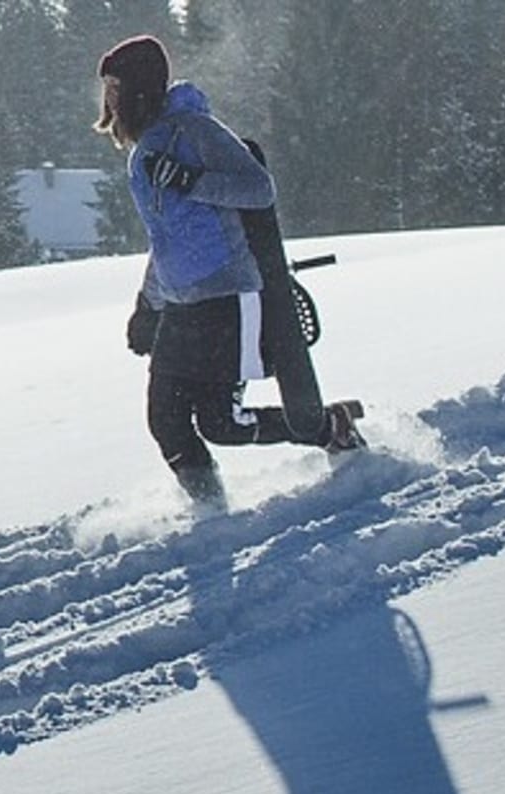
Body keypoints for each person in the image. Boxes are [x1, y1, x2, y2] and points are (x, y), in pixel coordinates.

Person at [101, 34, 363, 510]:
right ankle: (212, 513)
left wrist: (190, 180)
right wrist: (148, 305)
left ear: (140, 88)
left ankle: (330, 427)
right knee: (167, 421)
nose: (110, 99)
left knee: (222, 424)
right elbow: (167, 240)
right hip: (181, 305)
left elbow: (259, 189)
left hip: (228, 296)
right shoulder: (143, 152)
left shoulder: (197, 131)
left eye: (116, 87)